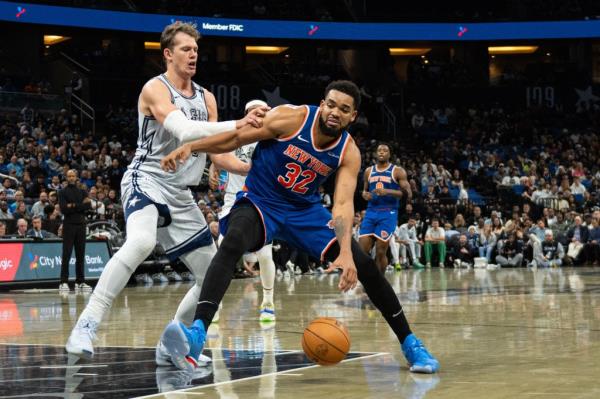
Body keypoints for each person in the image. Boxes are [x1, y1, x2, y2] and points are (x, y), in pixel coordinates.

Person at [158, 80, 439, 374]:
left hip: (304, 211)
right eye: (331, 105)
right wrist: (192, 146)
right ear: (323, 102)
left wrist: (345, 252)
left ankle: (411, 344)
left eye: (344, 109)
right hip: (262, 201)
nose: (335, 113)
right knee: (233, 241)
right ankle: (198, 332)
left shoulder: (348, 151)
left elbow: (343, 203)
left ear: (353, 116)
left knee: (365, 266)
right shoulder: (291, 118)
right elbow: (236, 138)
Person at [65, 22, 267, 363]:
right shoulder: (154, 89)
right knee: (141, 241)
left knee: (214, 272)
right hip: (146, 178)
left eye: (196, 50)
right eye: (186, 49)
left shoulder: (207, 97)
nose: (193, 55)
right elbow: (185, 130)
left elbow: (217, 151)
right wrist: (241, 122)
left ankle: (172, 339)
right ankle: (87, 323)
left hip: (180, 192)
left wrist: (250, 168)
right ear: (168, 54)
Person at [210, 99, 277, 323]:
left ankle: (268, 301)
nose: (256, 116)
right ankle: (214, 304)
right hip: (232, 198)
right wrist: (214, 165)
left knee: (265, 254)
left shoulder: (271, 139)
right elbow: (218, 149)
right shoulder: (236, 134)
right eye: (251, 112)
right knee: (221, 249)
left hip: (260, 200)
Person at [359, 144, 410, 272]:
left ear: (389, 154)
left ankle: (379, 283)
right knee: (362, 250)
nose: (381, 152)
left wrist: (387, 191)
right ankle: (368, 279)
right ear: (376, 154)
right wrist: (365, 195)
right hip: (371, 212)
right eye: (379, 150)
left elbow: (407, 193)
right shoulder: (368, 171)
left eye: (385, 150)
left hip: (388, 212)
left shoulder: (398, 171)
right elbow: (364, 191)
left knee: (381, 252)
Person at [57, 170, 93, 293]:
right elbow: (63, 209)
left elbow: (89, 206)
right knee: (66, 254)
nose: (71, 178)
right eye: (69, 176)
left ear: (76, 177)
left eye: (73, 176)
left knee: (80, 254)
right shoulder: (62, 192)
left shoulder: (82, 191)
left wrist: (72, 206)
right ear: (66, 178)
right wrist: (79, 205)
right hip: (69, 225)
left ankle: (80, 281)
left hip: (81, 225)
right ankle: (64, 282)